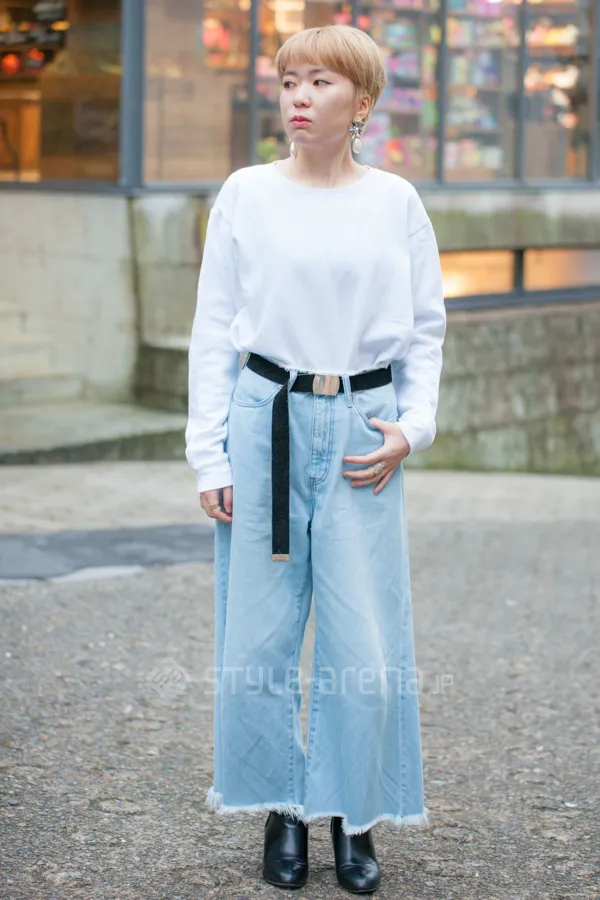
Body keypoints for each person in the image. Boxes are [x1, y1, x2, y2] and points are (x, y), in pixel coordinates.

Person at [185, 24, 446, 894]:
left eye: (320, 81)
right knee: (260, 635)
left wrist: (414, 426)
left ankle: (353, 813)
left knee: (363, 641)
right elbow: (213, 331)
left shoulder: (396, 202)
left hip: (364, 429)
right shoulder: (247, 193)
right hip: (265, 420)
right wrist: (209, 456)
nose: (299, 96)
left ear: (361, 103)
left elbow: (427, 331)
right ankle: (283, 808)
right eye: (290, 79)